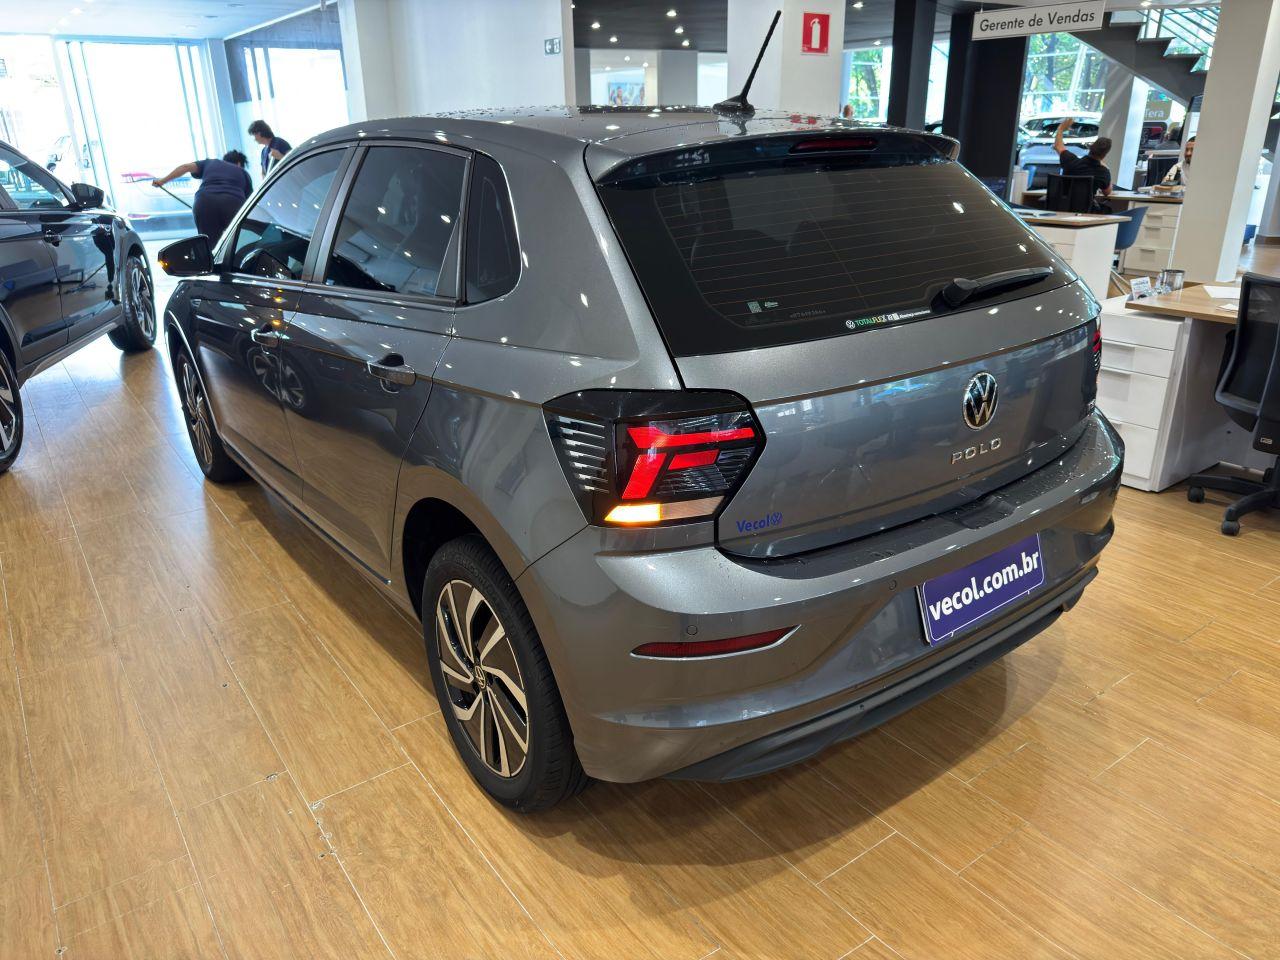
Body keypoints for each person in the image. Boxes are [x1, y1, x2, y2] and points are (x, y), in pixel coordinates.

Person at [152, 150, 253, 245]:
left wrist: (162, 181)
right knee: (238, 241)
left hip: (204, 202)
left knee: (209, 244)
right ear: (239, 163)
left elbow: (185, 167)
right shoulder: (244, 173)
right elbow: (250, 203)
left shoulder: (210, 162)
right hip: (232, 203)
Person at [1053, 116, 1113, 210]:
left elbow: (1058, 146)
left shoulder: (1070, 160)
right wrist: (1106, 167)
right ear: (1104, 155)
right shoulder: (1103, 172)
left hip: (1062, 208)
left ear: (1090, 148)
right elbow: (1107, 192)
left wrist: (1060, 129)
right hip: (1086, 211)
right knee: (1108, 210)